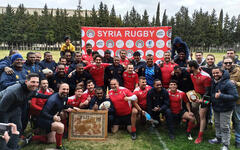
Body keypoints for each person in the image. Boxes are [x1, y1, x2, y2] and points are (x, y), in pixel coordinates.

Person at [0, 73, 49, 147]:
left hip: (15, 107)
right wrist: (3, 124)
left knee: (18, 127)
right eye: (33, 82)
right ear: (26, 82)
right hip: (3, 108)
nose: (35, 84)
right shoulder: (13, 92)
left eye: (37, 82)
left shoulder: (32, 89)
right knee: (4, 129)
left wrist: (50, 96)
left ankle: (13, 146)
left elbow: (37, 95)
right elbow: (2, 109)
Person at [208, 67, 238, 150]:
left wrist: (221, 96)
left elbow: (235, 96)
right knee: (217, 124)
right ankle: (218, 138)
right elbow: (213, 95)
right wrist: (205, 101)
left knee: (224, 126)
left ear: (222, 73)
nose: (215, 74)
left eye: (217, 73)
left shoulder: (229, 83)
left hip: (226, 108)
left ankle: (225, 144)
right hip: (216, 107)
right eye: (213, 73)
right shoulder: (213, 82)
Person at [37, 83, 71, 149]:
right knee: (60, 127)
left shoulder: (65, 97)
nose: (66, 91)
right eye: (63, 89)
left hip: (52, 118)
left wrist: (71, 107)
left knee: (51, 140)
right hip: (43, 120)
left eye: (67, 89)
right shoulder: (53, 99)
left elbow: (63, 105)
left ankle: (34, 137)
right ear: (59, 89)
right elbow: (43, 113)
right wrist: (52, 117)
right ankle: (59, 147)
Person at [187, 60, 211, 144]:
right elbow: (182, 69)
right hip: (196, 95)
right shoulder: (192, 73)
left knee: (202, 115)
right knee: (194, 109)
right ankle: (198, 124)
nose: (187, 68)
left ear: (193, 68)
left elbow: (208, 91)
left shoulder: (206, 76)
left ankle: (200, 136)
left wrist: (202, 100)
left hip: (206, 97)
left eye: (188, 67)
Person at [221, 56, 240, 148]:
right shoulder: (221, 71)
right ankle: (223, 138)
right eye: (226, 63)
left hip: (237, 101)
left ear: (233, 63)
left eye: (230, 63)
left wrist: (237, 83)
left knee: (237, 120)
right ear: (223, 63)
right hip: (224, 100)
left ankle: (238, 139)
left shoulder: (238, 71)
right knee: (225, 121)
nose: (228, 64)